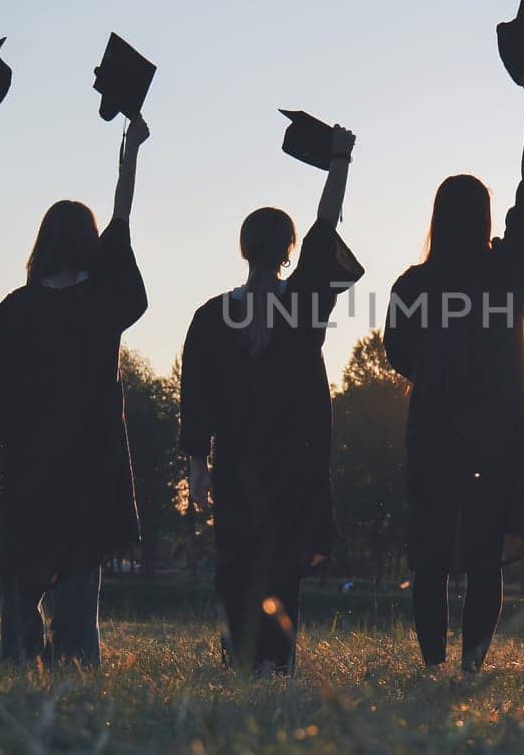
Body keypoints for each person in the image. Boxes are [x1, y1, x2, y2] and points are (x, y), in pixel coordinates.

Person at [384, 61, 524, 677]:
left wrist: (437, 377)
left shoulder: (414, 283)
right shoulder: (505, 273)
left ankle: (432, 664)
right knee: (484, 556)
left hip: (433, 429)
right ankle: (471, 667)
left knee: (429, 555)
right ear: (486, 218)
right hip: (496, 434)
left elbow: (395, 352)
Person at [178, 126, 362, 674]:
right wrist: (339, 162)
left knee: (236, 563)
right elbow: (325, 228)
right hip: (293, 466)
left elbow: (197, 398)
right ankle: (276, 664)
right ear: (289, 251)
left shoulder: (212, 317)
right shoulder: (303, 302)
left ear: (243, 248)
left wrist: (196, 467)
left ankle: (239, 652)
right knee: (282, 568)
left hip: (235, 463)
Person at [0, 117, 151, 668]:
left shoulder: (15, 308)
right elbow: (121, 224)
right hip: (89, 458)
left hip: (29, 457)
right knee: (79, 563)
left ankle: (18, 659)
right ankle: (75, 659)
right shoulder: (102, 303)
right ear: (89, 245)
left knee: (23, 563)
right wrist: (130, 156)